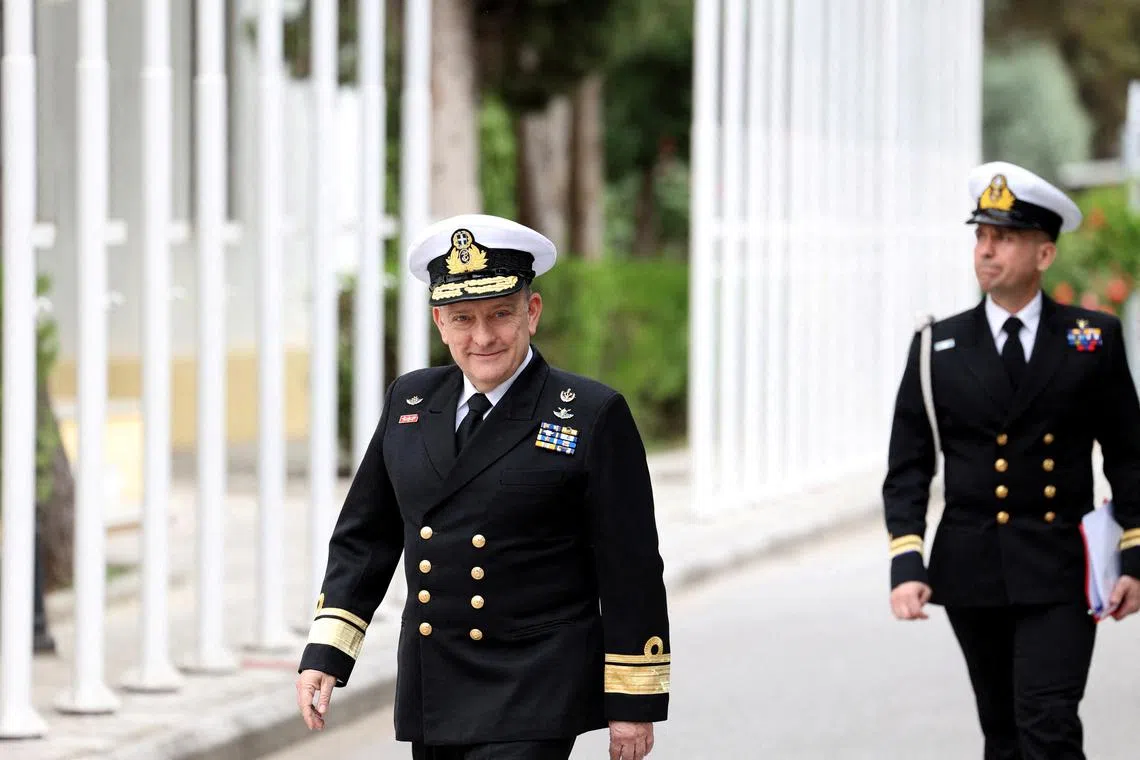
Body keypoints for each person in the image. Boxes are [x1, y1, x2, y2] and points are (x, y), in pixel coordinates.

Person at [295, 214, 670, 760]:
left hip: (536, 684)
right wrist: (327, 651)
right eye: (463, 318)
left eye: (500, 314)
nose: (483, 337)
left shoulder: (591, 413)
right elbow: (366, 536)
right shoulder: (411, 402)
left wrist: (633, 701)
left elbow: (630, 567)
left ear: (532, 313)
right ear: (439, 322)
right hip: (436, 682)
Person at [882, 161, 1140, 759]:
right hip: (972, 567)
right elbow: (909, 466)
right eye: (981, 236)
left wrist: (1134, 552)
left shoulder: (1091, 339)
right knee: (1002, 732)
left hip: (1061, 567)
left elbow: (1129, 455)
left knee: (1047, 724)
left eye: (1005, 238)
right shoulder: (936, 347)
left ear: (1044, 255)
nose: (987, 250)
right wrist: (907, 561)